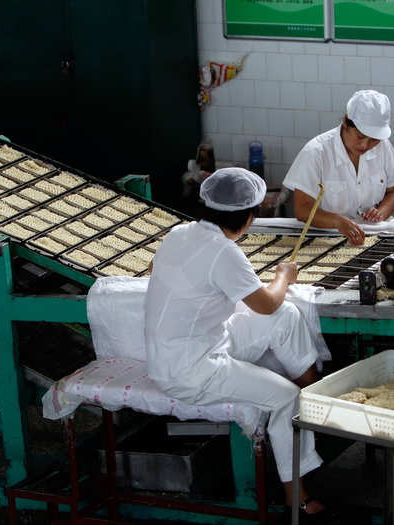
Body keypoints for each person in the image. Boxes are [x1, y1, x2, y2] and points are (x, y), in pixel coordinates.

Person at [145, 167, 330, 521]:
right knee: (285, 397)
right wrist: (283, 276)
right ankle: (298, 496)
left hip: (186, 347)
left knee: (286, 317)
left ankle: (313, 397)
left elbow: (158, 270)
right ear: (248, 218)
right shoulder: (224, 253)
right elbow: (267, 302)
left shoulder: (179, 233)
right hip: (192, 371)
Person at [283, 89, 394, 245]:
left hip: (374, 236)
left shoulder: (383, 147)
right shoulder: (316, 152)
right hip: (327, 239)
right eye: (360, 137)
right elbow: (302, 209)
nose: (365, 145)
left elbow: (393, 192)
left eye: (374, 140)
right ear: (346, 122)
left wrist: (380, 213)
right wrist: (337, 221)